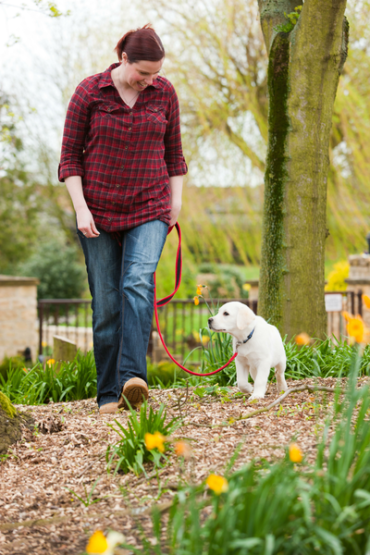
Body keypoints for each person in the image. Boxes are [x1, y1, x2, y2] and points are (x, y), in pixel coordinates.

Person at [58, 24, 187, 415]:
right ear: (123, 59)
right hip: (96, 211)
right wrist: (81, 208)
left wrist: (175, 202)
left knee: (136, 283)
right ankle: (108, 395)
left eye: (155, 74)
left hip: (150, 206)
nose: (149, 81)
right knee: (108, 304)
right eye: (142, 73)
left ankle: (134, 379)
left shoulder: (164, 93)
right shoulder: (89, 93)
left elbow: (175, 154)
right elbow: (69, 158)